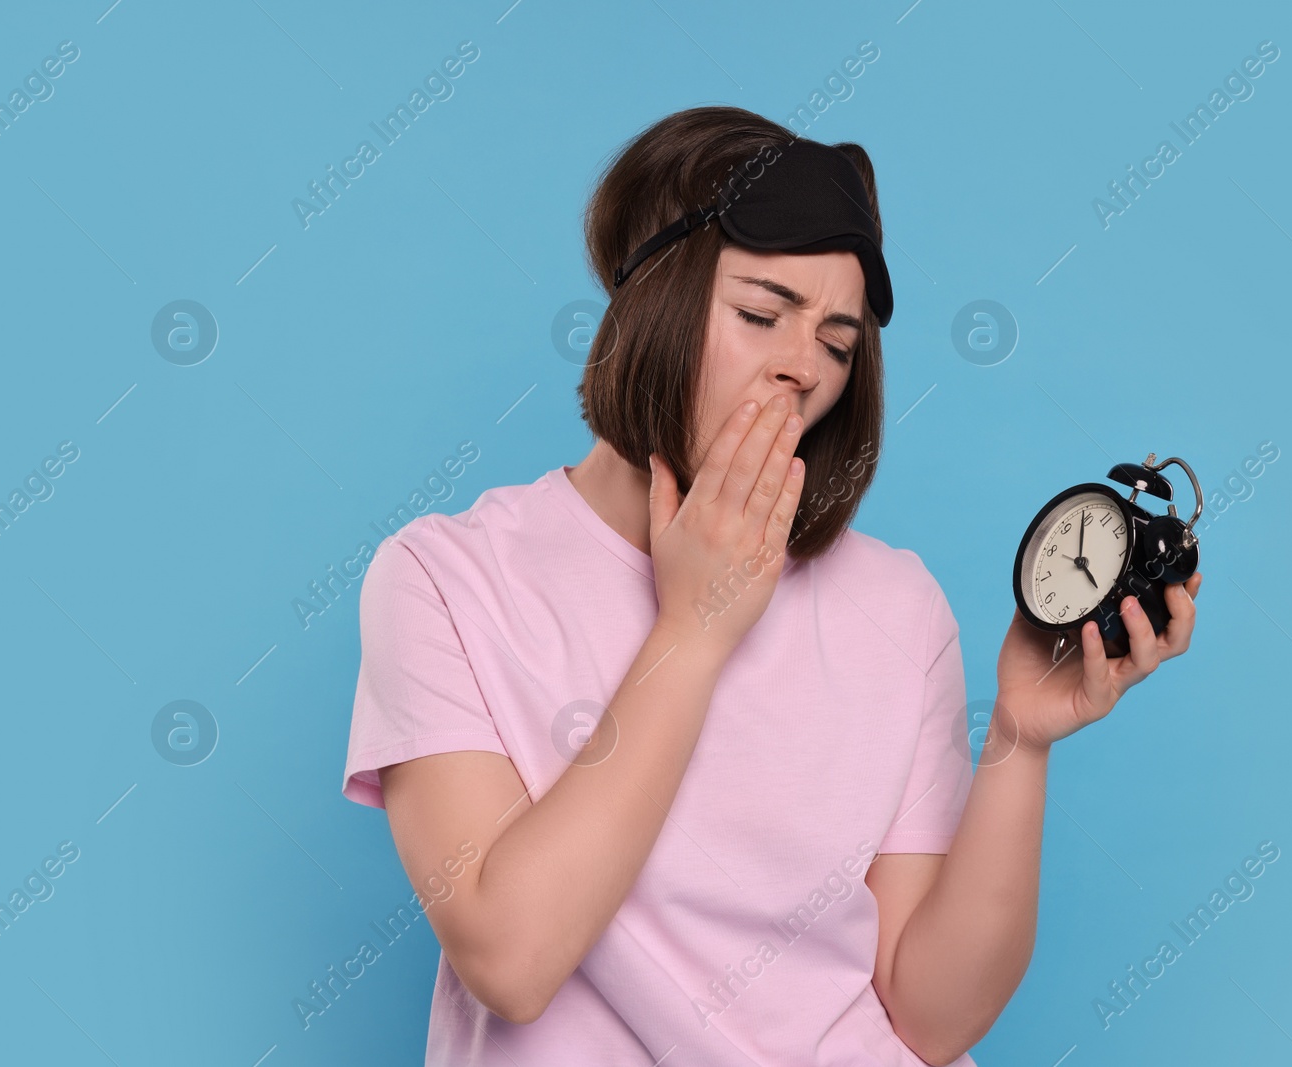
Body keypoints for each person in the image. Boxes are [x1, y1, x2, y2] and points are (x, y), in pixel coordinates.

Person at [341, 105, 1202, 1066]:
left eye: (838, 344)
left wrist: (1017, 742)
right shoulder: (444, 580)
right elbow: (512, 955)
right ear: (651, 302)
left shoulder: (896, 606)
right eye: (761, 314)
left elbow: (930, 1016)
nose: (802, 365)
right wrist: (696, 627)